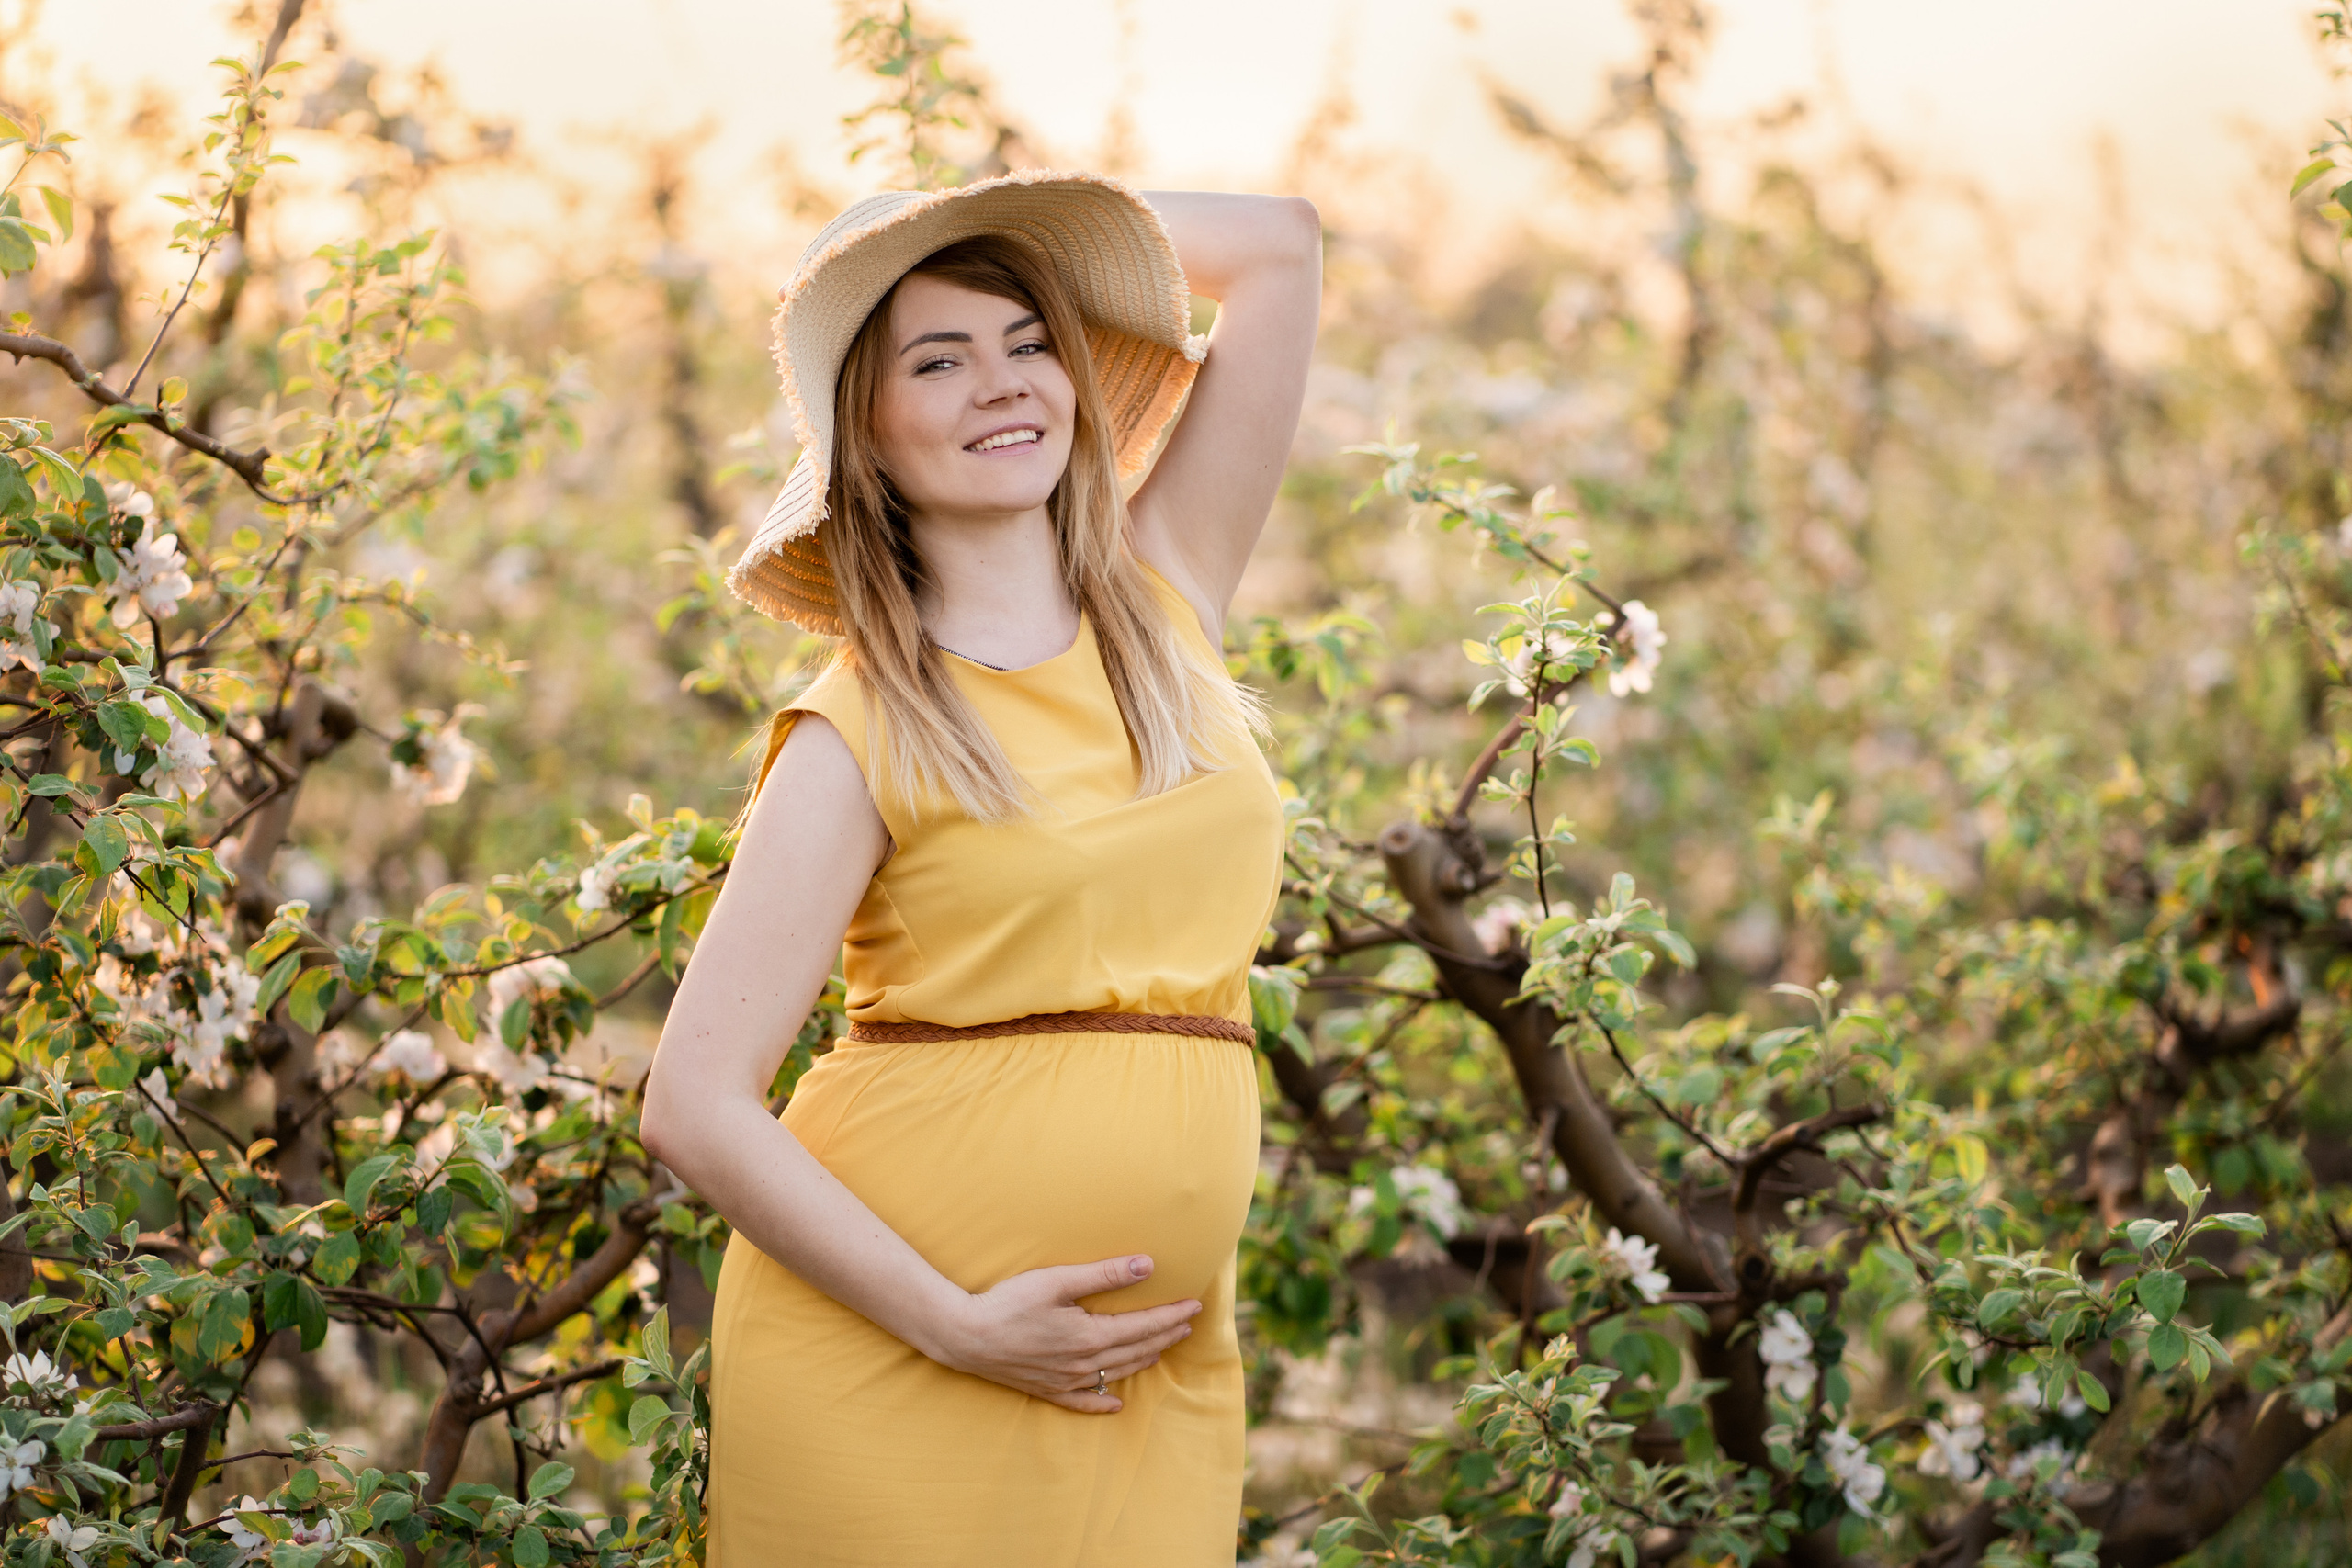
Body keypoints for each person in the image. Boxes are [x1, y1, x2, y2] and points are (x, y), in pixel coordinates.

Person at [639, 171, 1321, 1565]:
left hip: (1139, 1368)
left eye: (1026, 341)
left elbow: (1280, 247)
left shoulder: (1166, 595)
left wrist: (987, 207)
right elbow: (694, 1103)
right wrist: (959, 1326)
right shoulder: (862, 726)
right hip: (903, 1356)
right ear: (868, 440)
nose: (999, 386)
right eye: (936, 362)